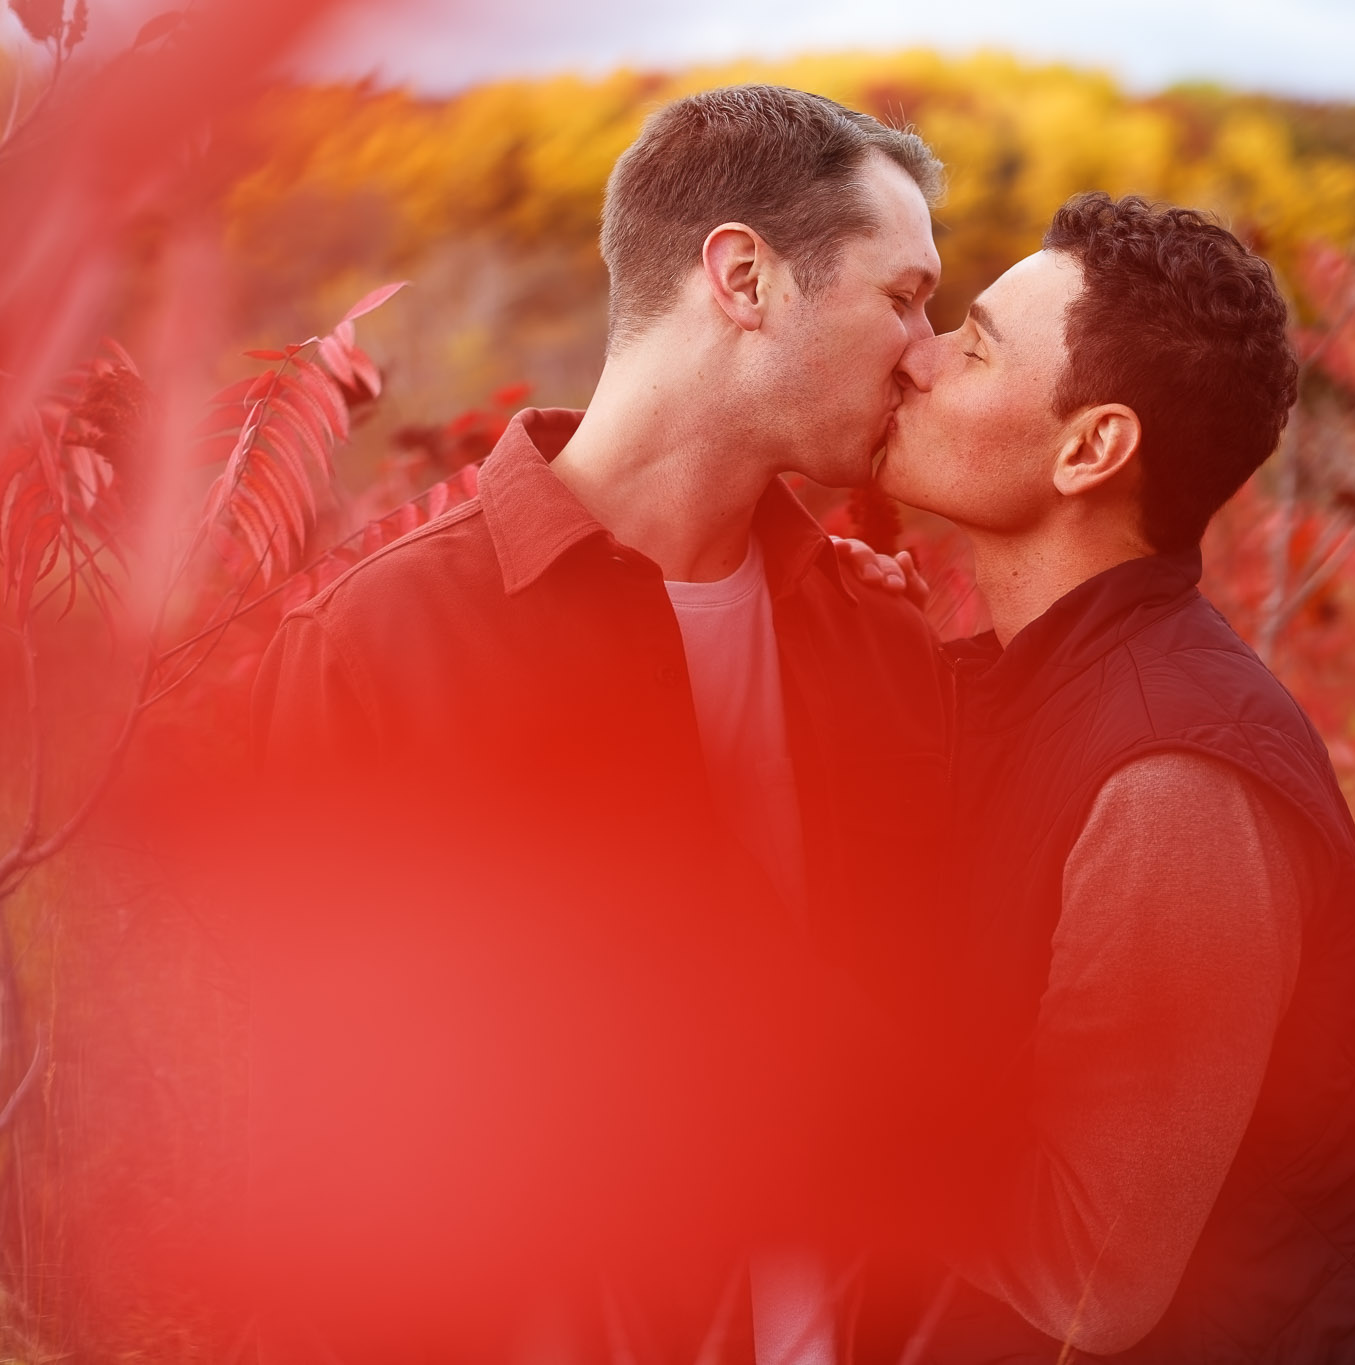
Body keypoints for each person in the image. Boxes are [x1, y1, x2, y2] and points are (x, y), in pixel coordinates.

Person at [246, 85, 955, 1363]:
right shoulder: (379, 649)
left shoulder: (885, 639)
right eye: (903, 297)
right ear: (743, 276)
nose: (928, 349)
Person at [877, 192, 1355, 1362]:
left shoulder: (1172, 775)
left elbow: (1088, 1278)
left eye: (970, 348)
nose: (912, 362)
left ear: (1089, 448)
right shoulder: (1013, 692)